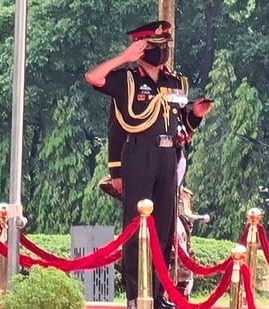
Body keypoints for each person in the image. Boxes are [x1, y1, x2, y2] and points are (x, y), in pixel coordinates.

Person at [85, 20, 212, 309]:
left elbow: (182, 129)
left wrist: (196, 114)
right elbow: (93, 77)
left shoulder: (175, 82)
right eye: (155, 47)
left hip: (169, 157)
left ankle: (157, 297)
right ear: (141, 49)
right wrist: (123, 57)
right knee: (138, 228)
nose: (162, 52)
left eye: (164, 47)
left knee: (164, 231)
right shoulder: (127, 80)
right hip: (139, 156)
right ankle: (136, 297)